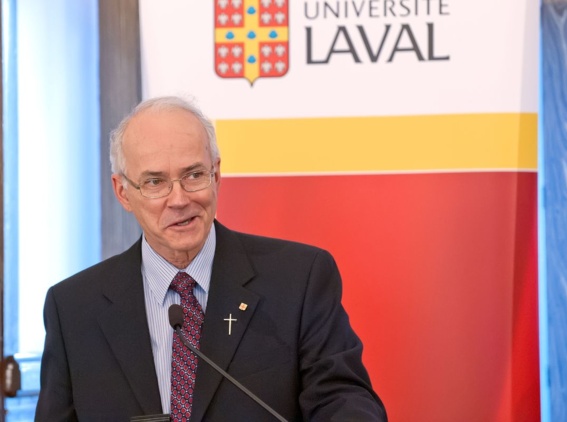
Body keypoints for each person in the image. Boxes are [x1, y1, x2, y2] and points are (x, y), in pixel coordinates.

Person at [35, 96, 387, 421]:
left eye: (193, 175)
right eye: (155, 182)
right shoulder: (73, 309)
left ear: (216, 174)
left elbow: (342, 399)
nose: (178, 200)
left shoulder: (299, 279)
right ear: (123, 192)